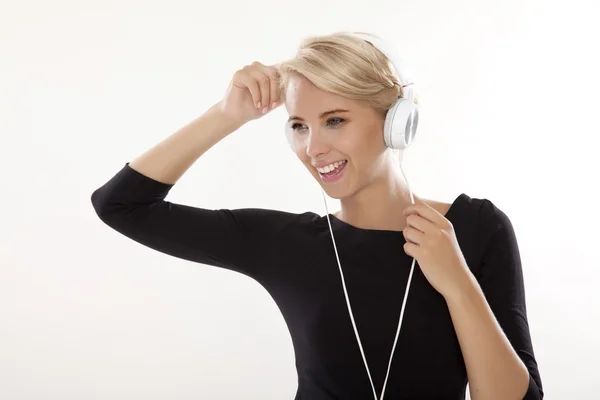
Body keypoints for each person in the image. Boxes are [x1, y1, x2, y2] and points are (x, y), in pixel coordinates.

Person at [91, 31, 543, 399]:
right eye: (299, 126)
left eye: (335, 120)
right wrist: (226, 115)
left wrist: (458, 284)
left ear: (394, 121)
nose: (313, 147)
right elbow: (121, 205)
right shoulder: (284, 243)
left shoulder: (476, 229)